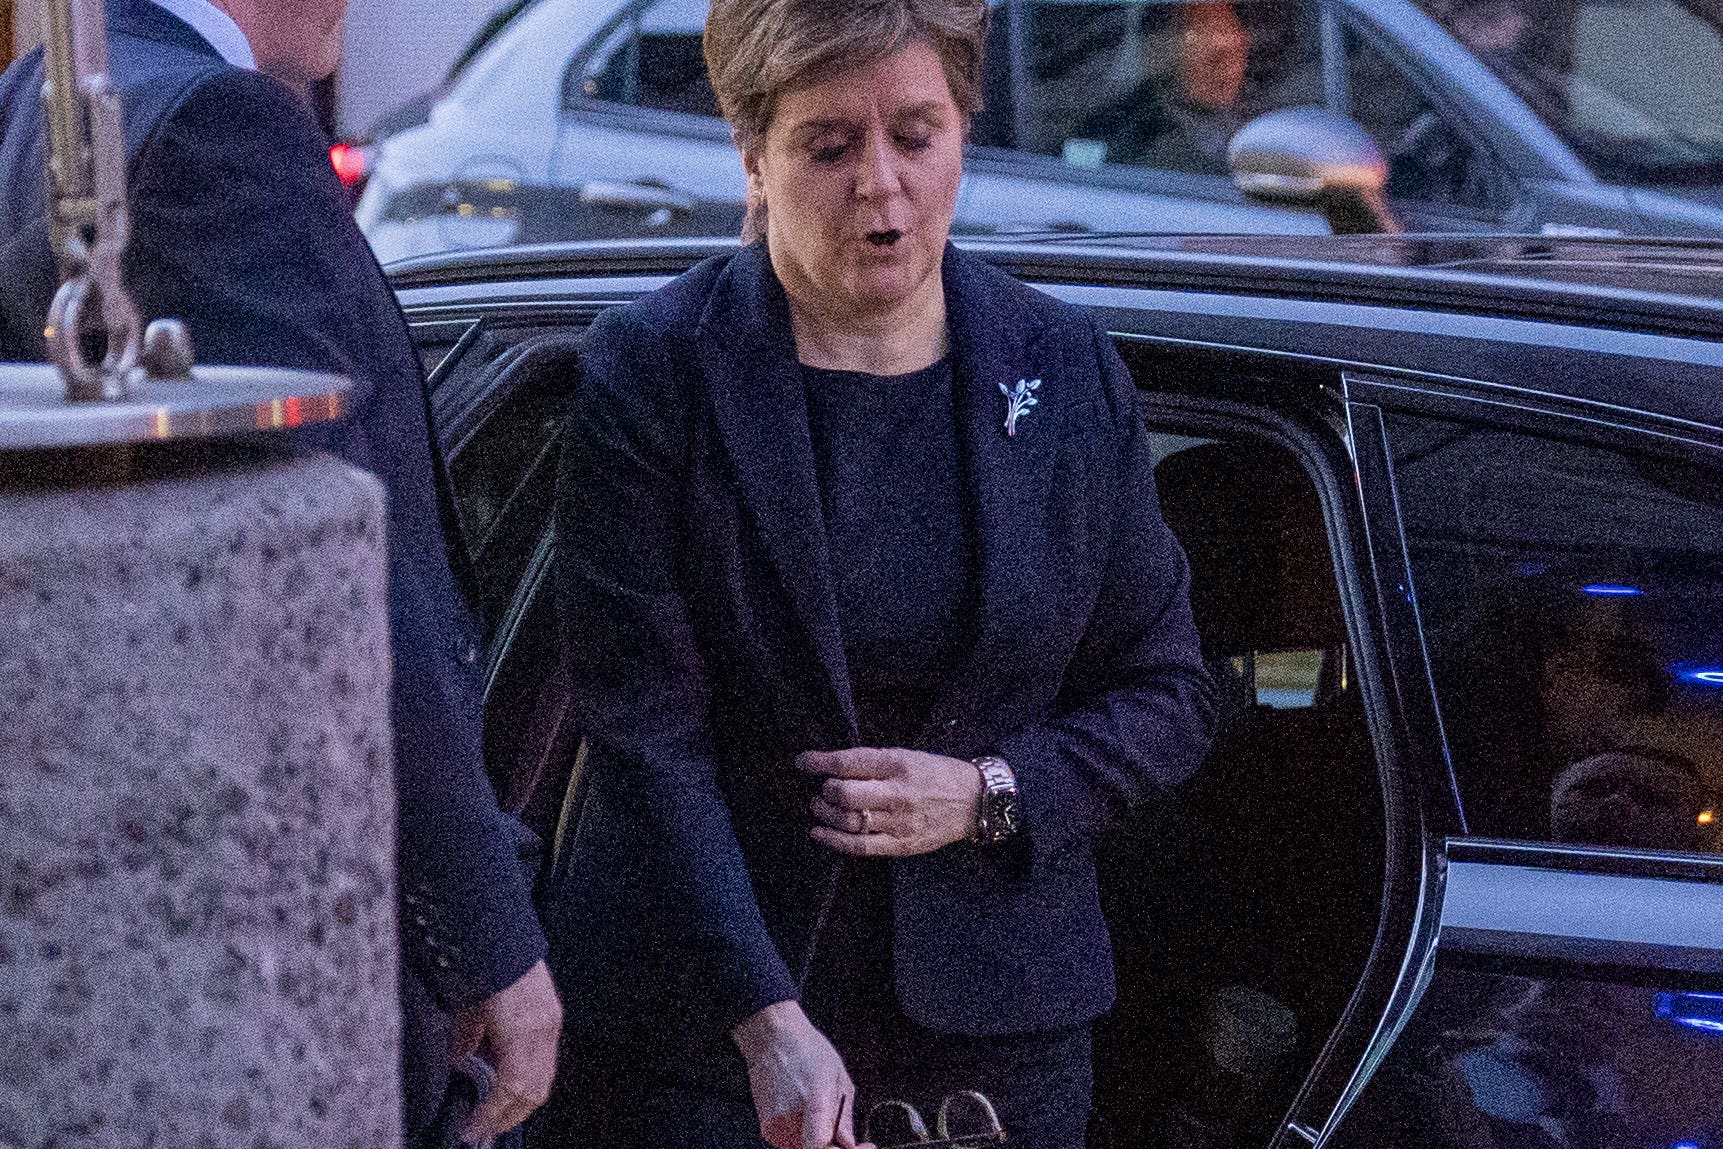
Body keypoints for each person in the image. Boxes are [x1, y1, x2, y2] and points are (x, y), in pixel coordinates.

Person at [542, 2, 1217, 1147]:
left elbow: (1168, 692)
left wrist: (991, 793)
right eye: (830, 145)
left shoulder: (1062, 366)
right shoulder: (655, 371)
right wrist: (764, 1023)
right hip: (713, 1023)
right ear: (752, 153)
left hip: (997, 1039)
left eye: (915, 134)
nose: (882, 185)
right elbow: (643, 728)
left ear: (964, 129)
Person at [0, 0, 562, 1141]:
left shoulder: (37, 100)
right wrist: (484, 940)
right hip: (273, 911)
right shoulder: (217, 124)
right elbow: (345, 583)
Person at [1074, 2, 1253, 173]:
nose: (1226, 69)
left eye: (1236, 49)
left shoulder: (1255, 116)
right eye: (1212, 55)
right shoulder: (1128, 133)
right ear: (1167, 54)